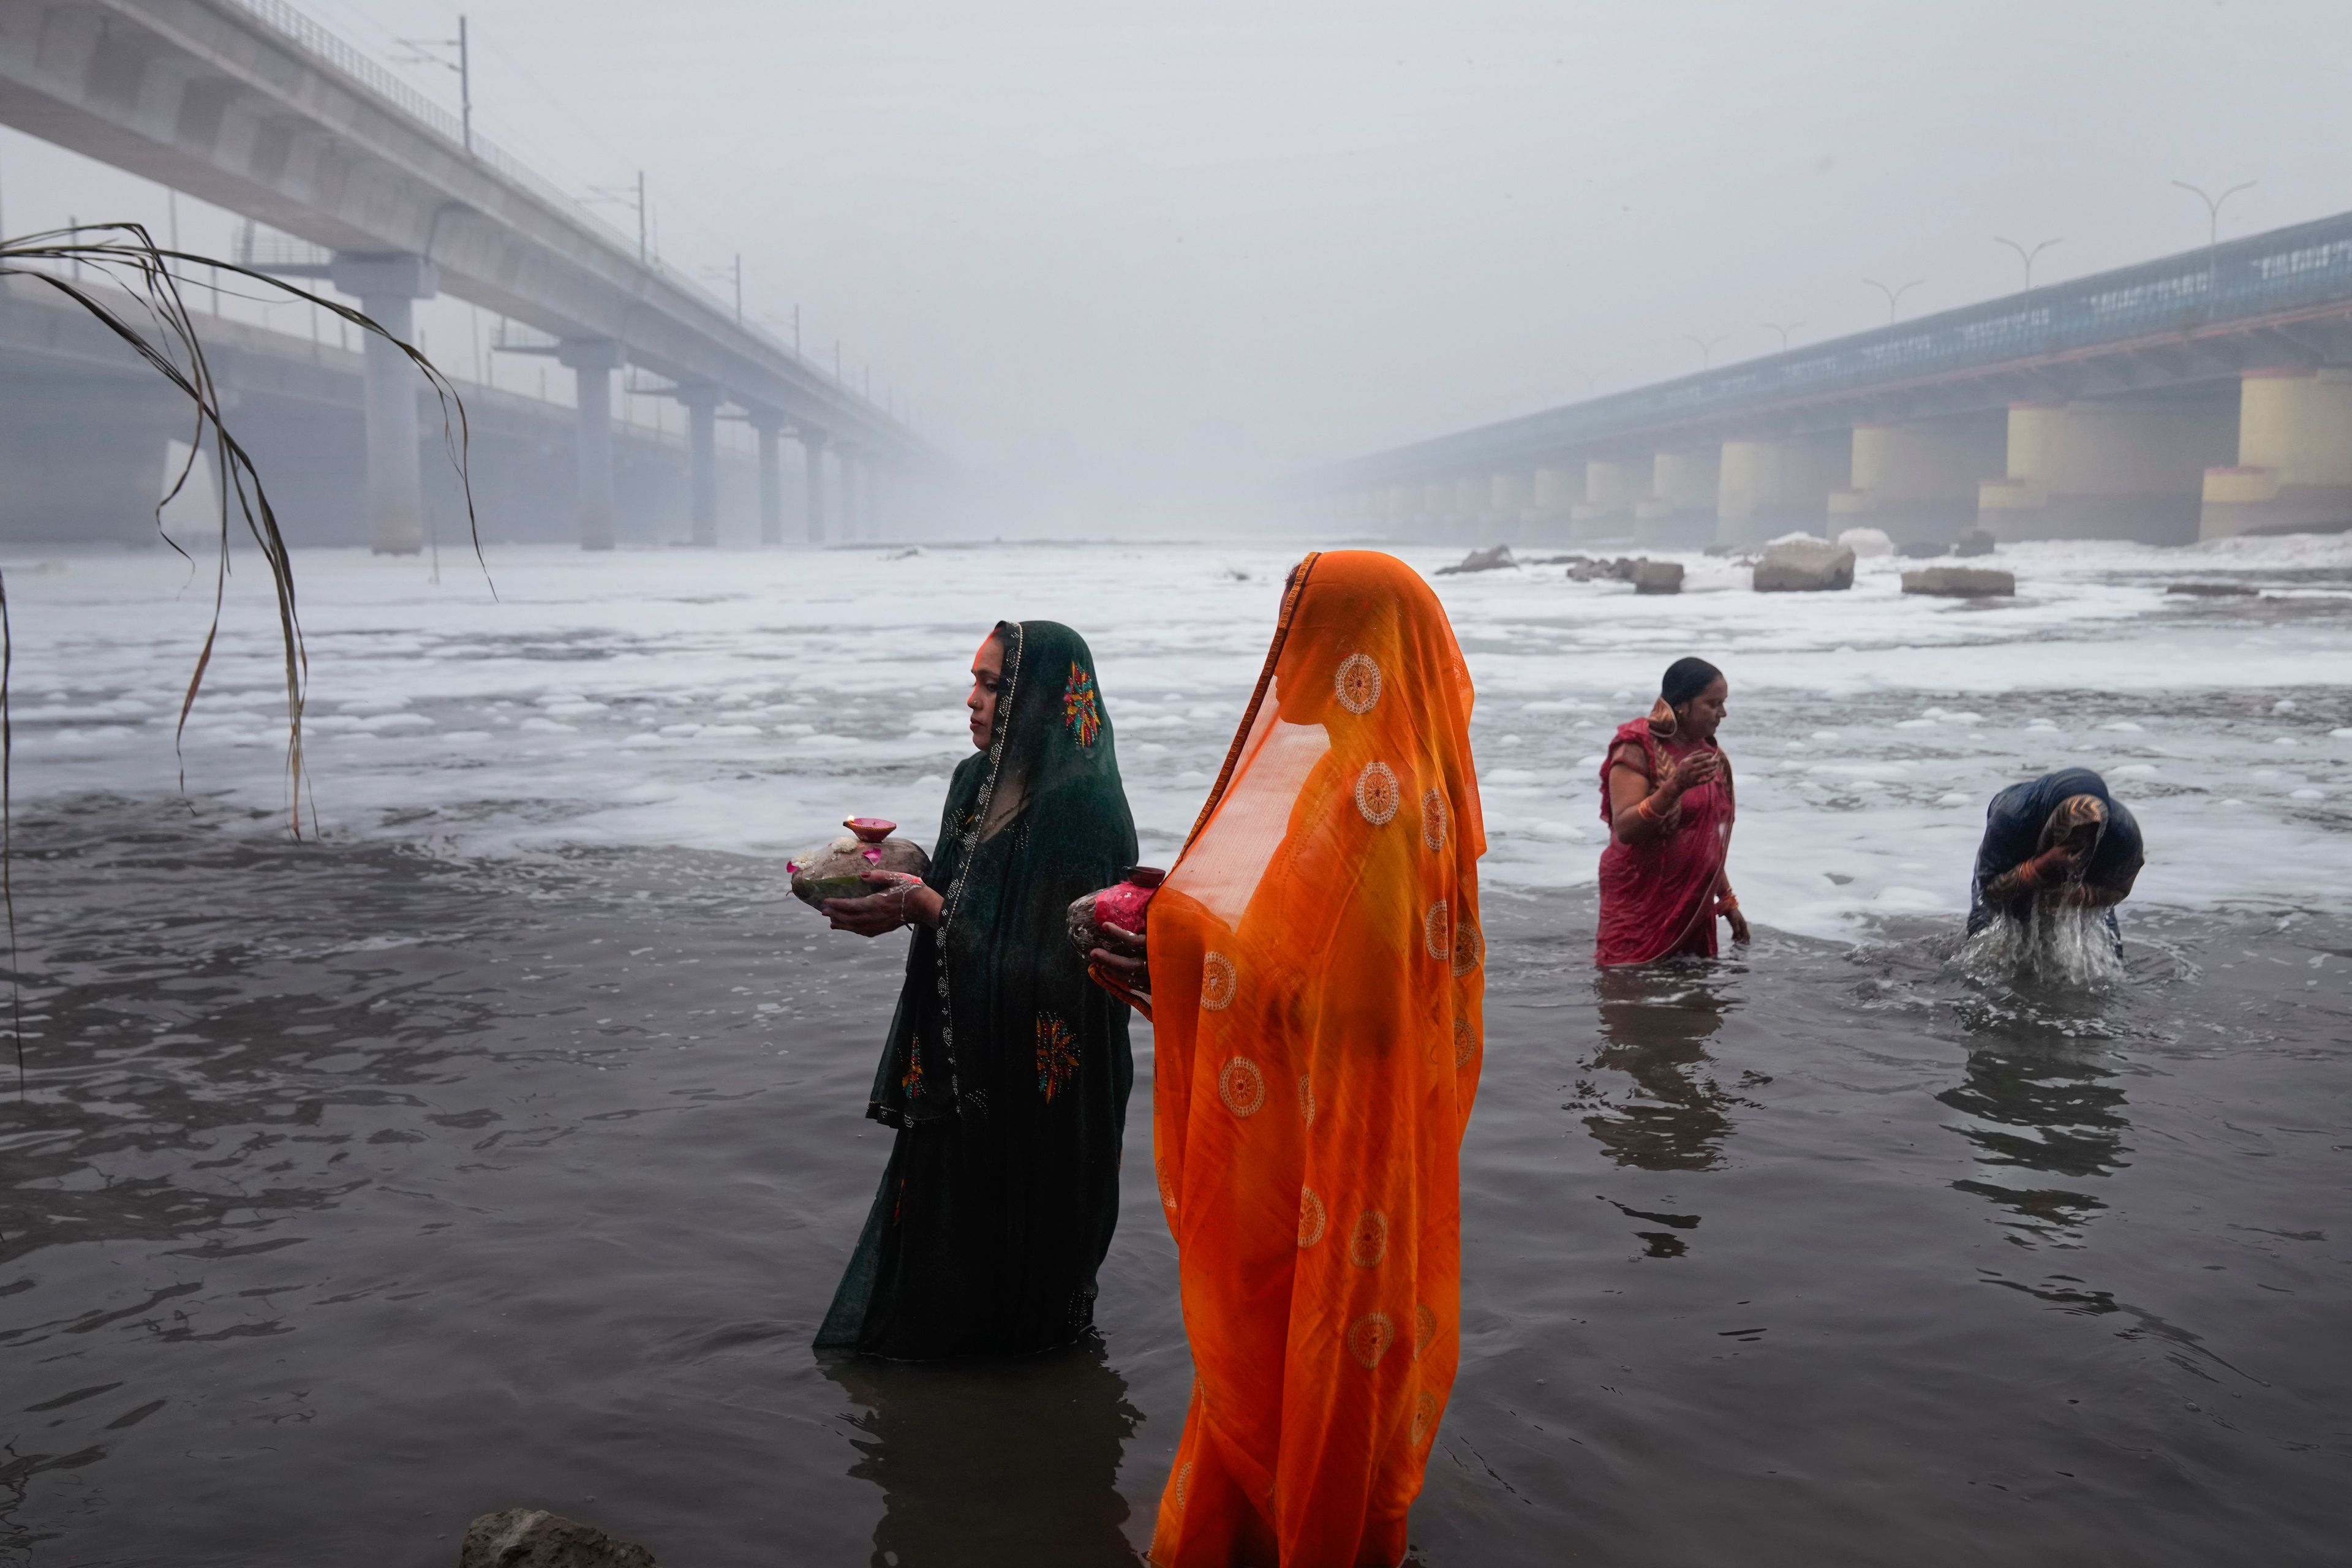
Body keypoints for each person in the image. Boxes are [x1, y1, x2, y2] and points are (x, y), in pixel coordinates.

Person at [1090, 551, 1485, 1567]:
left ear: (1358, 647)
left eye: (1300, 623)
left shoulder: (1371, 797)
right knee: (1299, 1360)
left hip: (1328, 1143)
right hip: (1332, 1141)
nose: (1283, 649)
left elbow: (1341, 997)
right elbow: (1291, 942)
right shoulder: (1365, 777)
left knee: (1299, 1347)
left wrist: (1176, 960)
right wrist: (1177, 936)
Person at [813, 620, 1138, 1358]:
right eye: (977, 681)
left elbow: (1062, 969)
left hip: (1044, 1099)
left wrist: (927, 908)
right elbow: (967, 902)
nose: (973, 700)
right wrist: (899, 885)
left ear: (1044, 698)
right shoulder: (974, 784)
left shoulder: (1084, 811)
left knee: (1022, 1320)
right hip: (958, 1082)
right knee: (934, 1299)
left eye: (994, 685)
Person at [1596, 656, 1748, 967]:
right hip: (1639, 902)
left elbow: (1706, 842)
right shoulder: (1636, 747)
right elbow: (1625, 828)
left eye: (1724, 703)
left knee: (1695, 1005)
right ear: (1683, 705)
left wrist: (1726, 899)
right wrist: (1675, 786)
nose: (1723, 713)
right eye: (1713, 704)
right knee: (1628, 995)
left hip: (1693, 904)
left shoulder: (1710, 755)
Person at [1967, 766, 2143, 941]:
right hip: (2018, 853)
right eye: (2069, 834)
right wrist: (2042, 865)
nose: (2078, 843)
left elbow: (2119, 889)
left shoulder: (2122, 835)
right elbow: (1989, 892)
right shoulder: (2011, 819)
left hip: (2088, 877)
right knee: (1983, 932)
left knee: (2110, 949)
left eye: (2089, 834)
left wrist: (2081, 896)